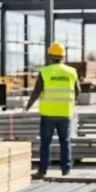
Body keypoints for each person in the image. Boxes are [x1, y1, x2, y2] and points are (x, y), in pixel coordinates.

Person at [26, 42, 79, 178]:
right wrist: (72, 103)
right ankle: (66, 170)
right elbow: (77, 90)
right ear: (63, 56)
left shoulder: (45, 72)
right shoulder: (71, 72)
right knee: (65, 142)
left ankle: (42, 171)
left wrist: (28, 106)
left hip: (48, 114)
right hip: (65, 113)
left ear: (50, 56)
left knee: (45, 144)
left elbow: (37, 91)